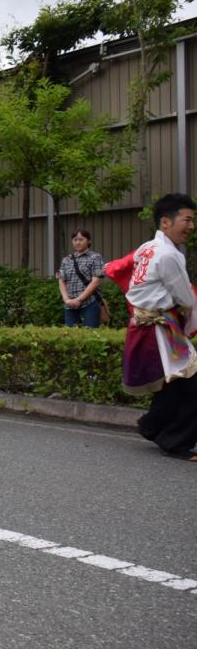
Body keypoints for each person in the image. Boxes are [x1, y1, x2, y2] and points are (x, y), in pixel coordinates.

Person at [105, 193, 197, 460]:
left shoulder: (147, 247)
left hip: (148, 325)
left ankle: (153, 426)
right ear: (166, 222)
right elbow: (185, 298)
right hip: (160, 328)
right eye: (187, 220)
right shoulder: (168, 255)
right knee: (187, 383)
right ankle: (174, 440)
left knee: (175, 383)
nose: (191, 227)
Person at [57, 229, 106, 328]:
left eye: (81, 239)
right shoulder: (66, 260)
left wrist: (79, 300)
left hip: (90, 303)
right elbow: (61, 280)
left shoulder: (95, 257)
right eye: (75, 240)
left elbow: (96, 281)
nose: (77, 242)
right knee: (70, 336)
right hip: (70, 304)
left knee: (91, 335)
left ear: (88, 241)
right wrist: (66, 299)